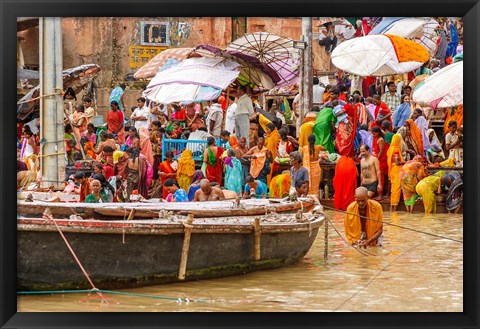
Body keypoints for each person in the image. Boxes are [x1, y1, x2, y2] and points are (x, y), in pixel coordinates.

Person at [387, 134, 406, 212]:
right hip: (396, 170)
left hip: (392, 170)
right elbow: (397, 162)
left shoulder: (390, 149)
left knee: (393, 189)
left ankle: (392, 209)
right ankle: (394, 209)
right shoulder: (395, 150)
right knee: (396, 189)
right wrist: (406, 162)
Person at [371, 126, 388, 200]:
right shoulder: (376, 138)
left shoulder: (380, 139)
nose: (372, 135)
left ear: (378, 133)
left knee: (381, 177)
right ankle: (377, 193)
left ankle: (380, 195)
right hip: (377, 159)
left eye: (374, 133)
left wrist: (377, 159)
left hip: (381, 160)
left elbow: (381, 151)